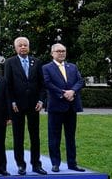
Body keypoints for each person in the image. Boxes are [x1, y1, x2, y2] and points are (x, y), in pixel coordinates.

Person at [3, 37, 47, 175]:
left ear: (29, 47)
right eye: (20, 45)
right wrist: (12, 102)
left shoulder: (37, 62)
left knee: (35, 136)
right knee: (18, 136)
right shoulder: (10, 62)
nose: (23, 47)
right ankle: (21, 164)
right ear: (15, 48)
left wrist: (41, 101)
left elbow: (42, 84)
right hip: (17, 105)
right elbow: (7, 85)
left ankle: (36, 164)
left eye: (25, 45)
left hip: (34, 105)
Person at [42, 43, 85, 173]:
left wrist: (72, 91)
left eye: (63, 51)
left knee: (70, 137)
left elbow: (80, 81)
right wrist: (63, 93)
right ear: (52, 53)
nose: (61, 53)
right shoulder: (46, 68)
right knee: (54, 137)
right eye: (58, 51)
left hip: (71, 106)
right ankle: (55, 163)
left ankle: (72, 163)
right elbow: (47, 83)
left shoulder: (72, 66)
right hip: (56, 106)